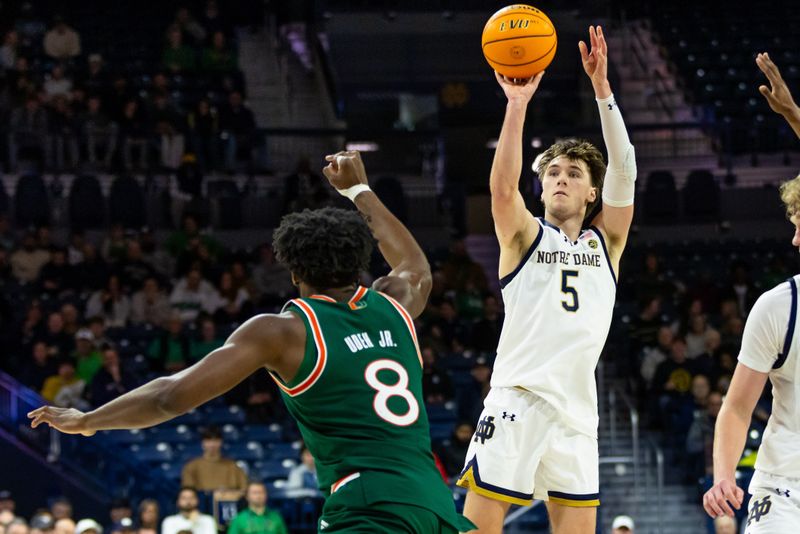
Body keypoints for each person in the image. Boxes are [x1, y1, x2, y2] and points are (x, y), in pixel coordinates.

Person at [28, 150, 474, 533]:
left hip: (368, 504)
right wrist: (359, 190)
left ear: (294, 272)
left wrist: (87, 420)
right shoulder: (395, 305)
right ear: (359, 260)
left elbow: (170, 397)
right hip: (433, 501)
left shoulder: (284, 330)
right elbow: (415, 266)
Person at [456, 26, 636, 533]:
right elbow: (500, 188)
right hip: (518, 400)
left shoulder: (608, 245)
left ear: (592, 194)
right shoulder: (523, 238)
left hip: (578, 414)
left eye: (574, 173)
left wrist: (602, 89)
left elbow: (626, 169)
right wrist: (517, 103)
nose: (561, 177)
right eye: (553, 171)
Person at [703, 53, 800, 531]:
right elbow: (737, 406)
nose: (795, 239)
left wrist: (794, 116)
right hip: (784, 486)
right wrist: (723, 476)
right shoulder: (779, 306)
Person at [181, 426, 247, 491]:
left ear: (221, 442)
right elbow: (187, 492)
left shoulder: (232, 466)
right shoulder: (191, 466)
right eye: (208, 440)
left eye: (216, 440)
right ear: (203, 443)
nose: (212, 444)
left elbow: (243, 489)